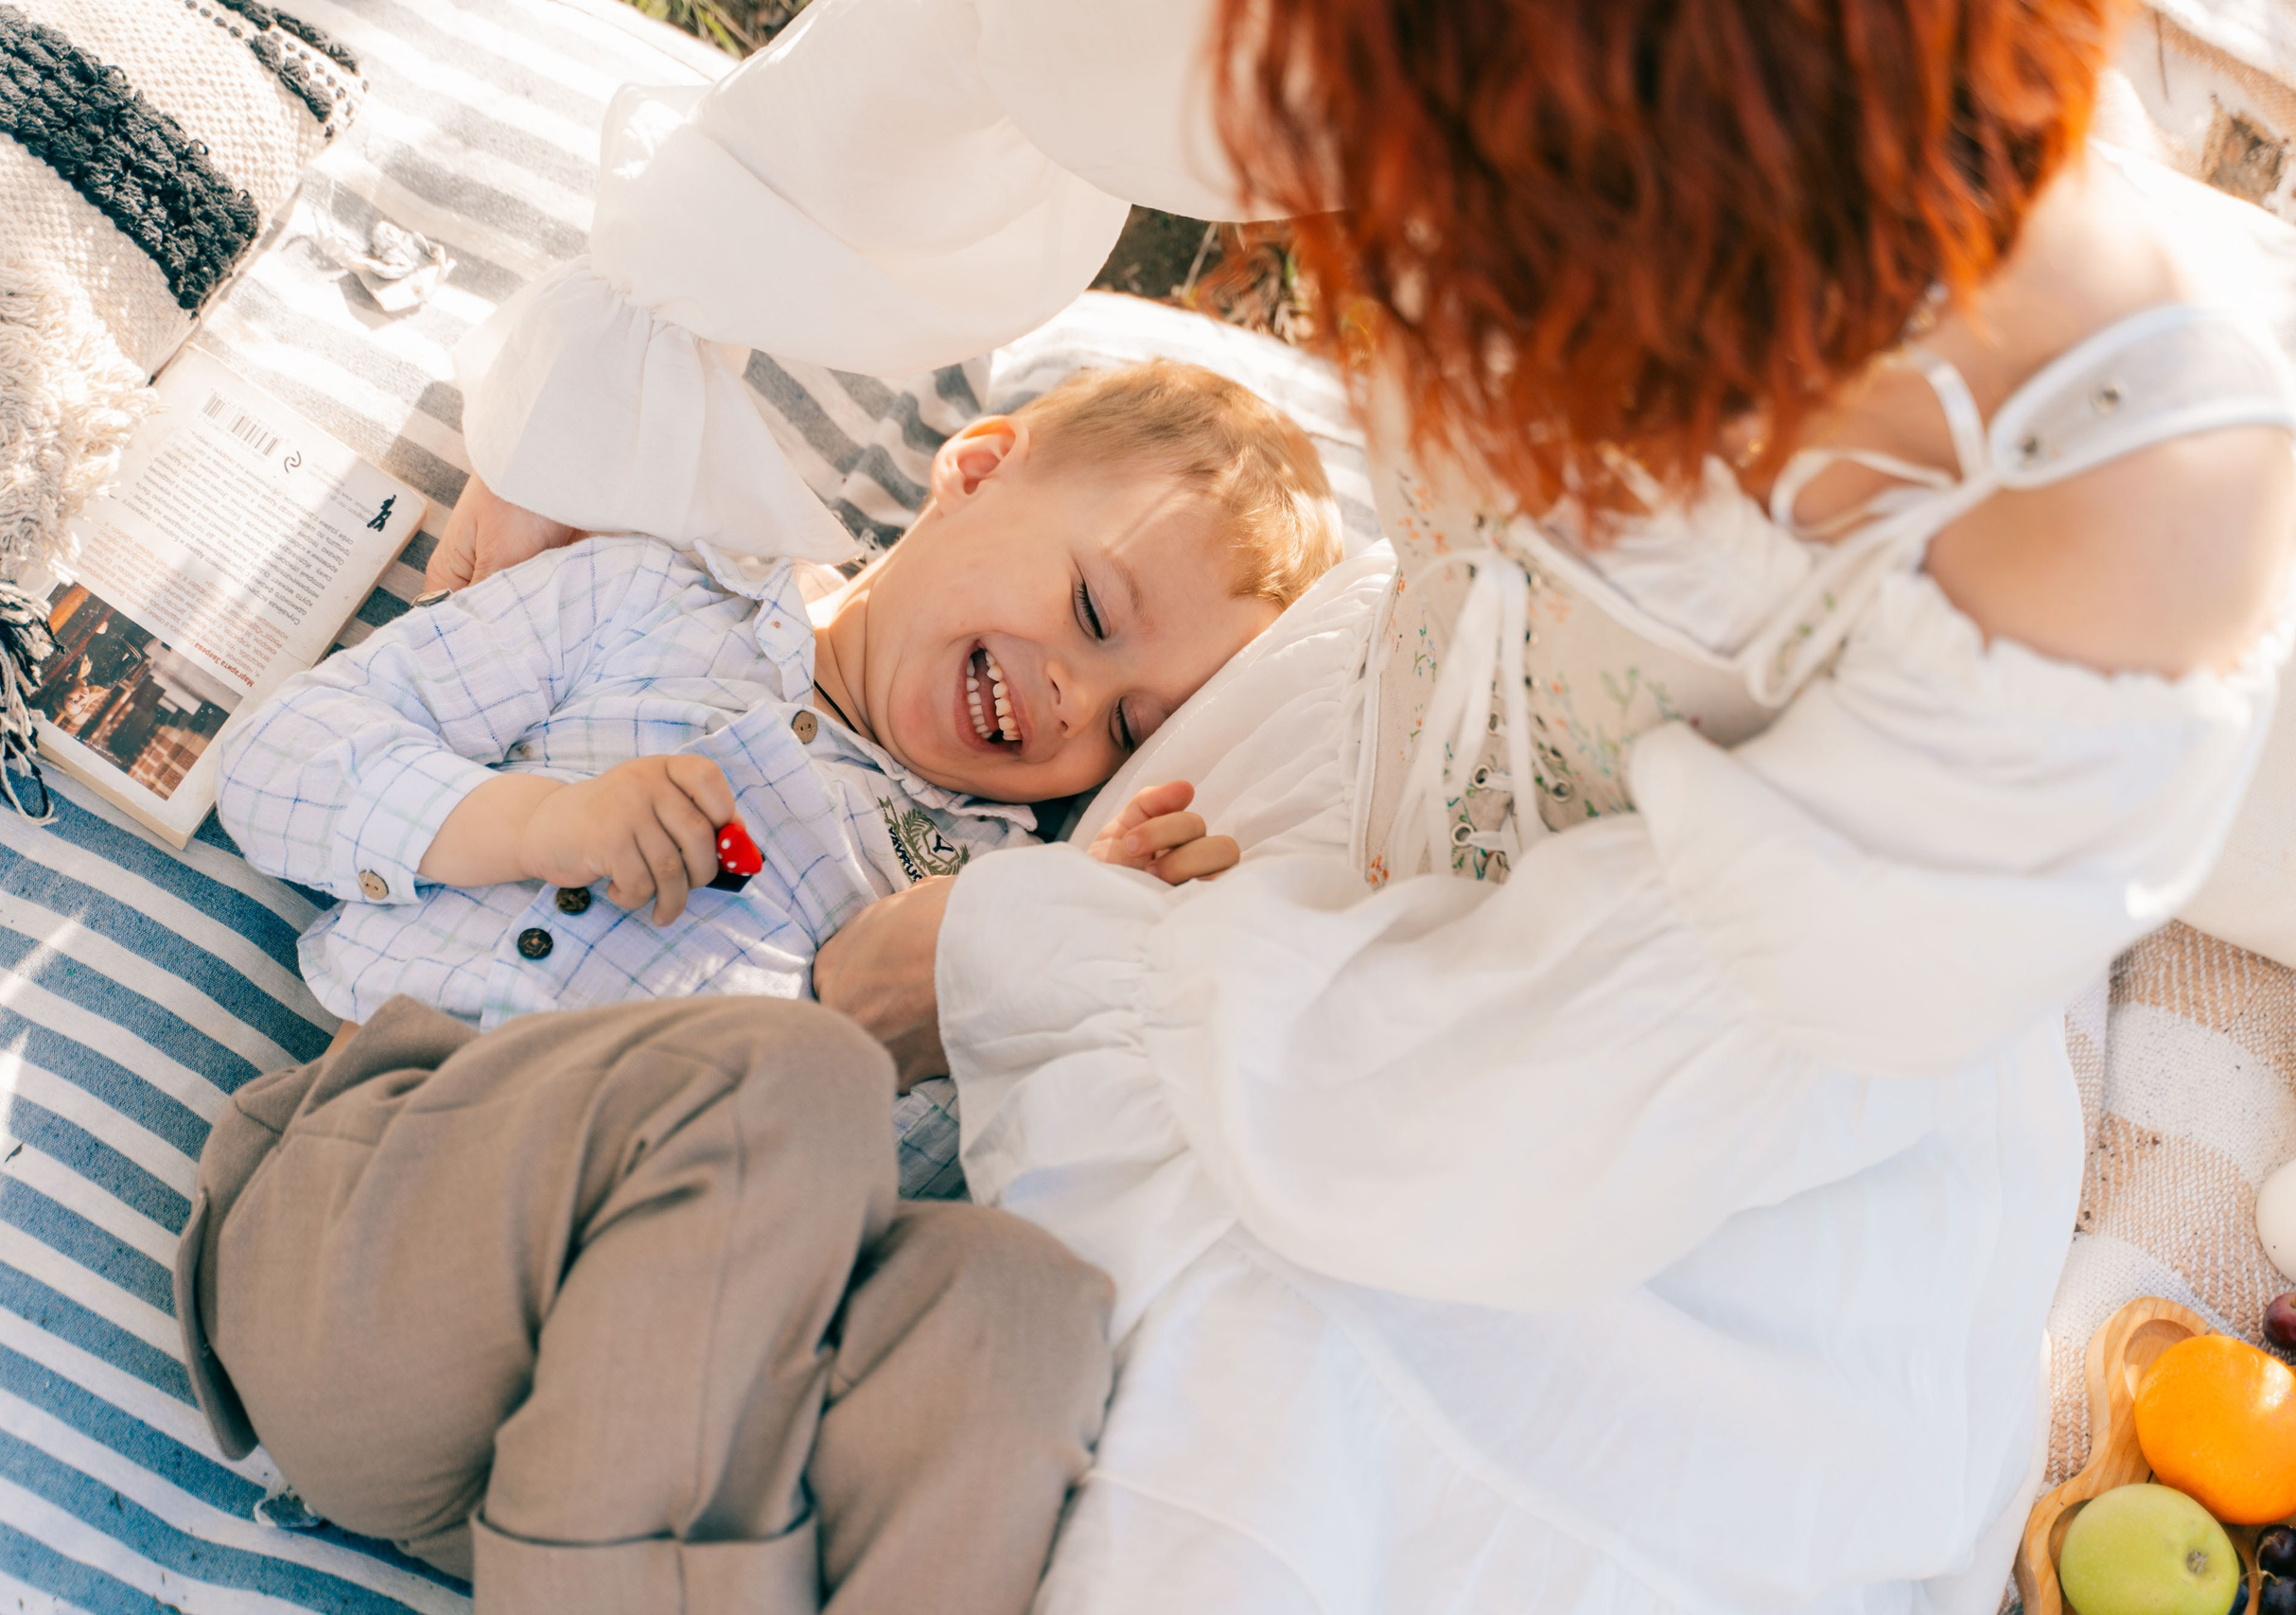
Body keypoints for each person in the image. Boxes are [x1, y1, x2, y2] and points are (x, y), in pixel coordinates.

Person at [418, 0, 2296, 1606]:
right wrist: (625, 347)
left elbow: (1583, 1101)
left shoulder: (2116, 498)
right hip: (1347, 840)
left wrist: (1064, 964)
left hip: (1662, 1139)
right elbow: (979, 37)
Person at [215, 359, 1340, 1027]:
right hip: (416, 1121)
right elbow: (281, 759)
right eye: (1094, 612)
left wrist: (1061, 932)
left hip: (707, 1246)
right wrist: (537, 824)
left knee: (1009, 1317)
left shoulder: (992, 874)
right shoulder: (650, 597)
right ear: (983, 471)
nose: (1072, 699)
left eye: (1129, 727)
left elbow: (931, 1137)